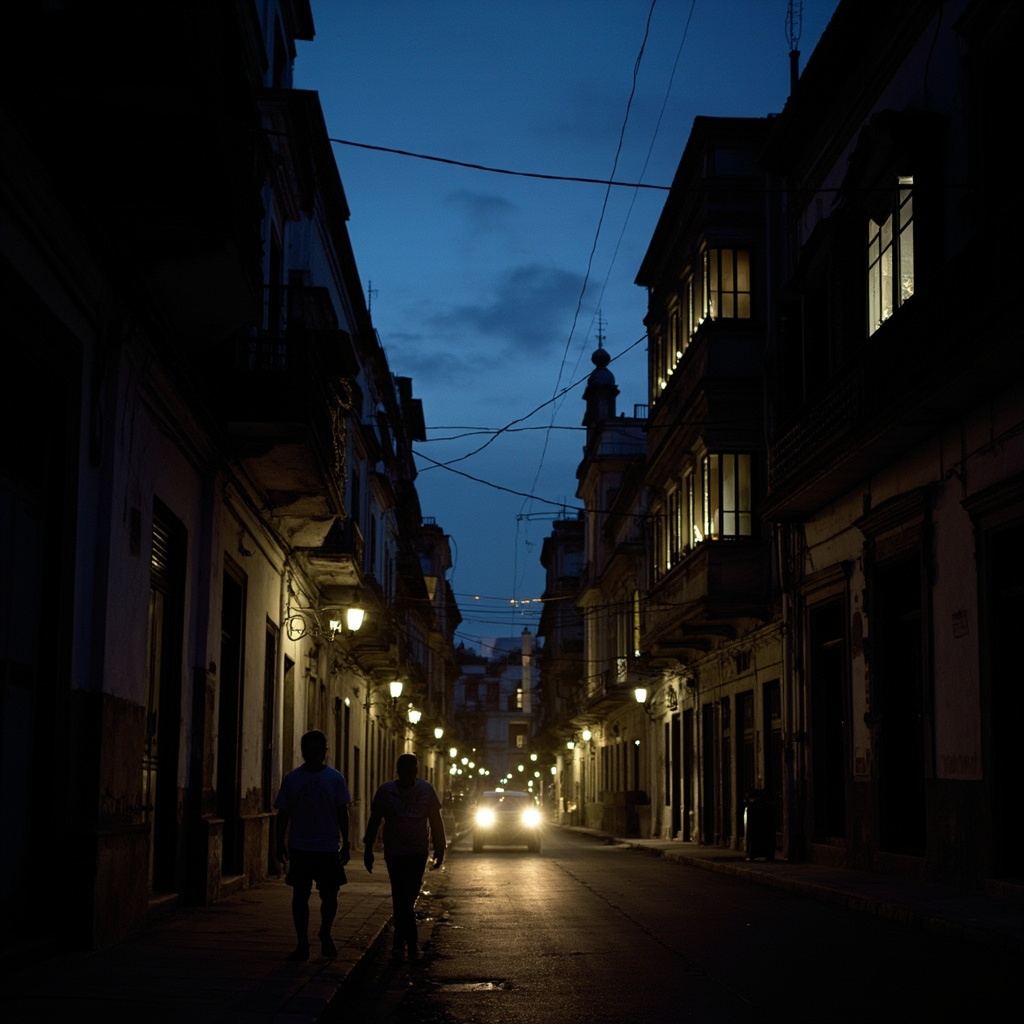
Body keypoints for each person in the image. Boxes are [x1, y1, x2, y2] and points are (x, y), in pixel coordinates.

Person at [274, 729, 351, 961]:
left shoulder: (335, 778)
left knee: (330, 896)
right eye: (311, 749)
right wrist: (279, 842)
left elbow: (342, 812)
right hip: (301, 847)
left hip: (328, 847)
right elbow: (283, 813)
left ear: (325, 751)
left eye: (320, 749)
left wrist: (345, 843)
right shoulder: (292, 779)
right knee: (300, 896)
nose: (316, 754)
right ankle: (302, 943)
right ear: (303, 751)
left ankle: (325, 933)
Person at [363, 752, 446, 963]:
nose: (409, 773)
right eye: (406, 770)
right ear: (398, 771)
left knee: (406, 898)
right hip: (395, 853)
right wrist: (368, 848)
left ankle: (402, 942)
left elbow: (435, 820)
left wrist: (440, 847)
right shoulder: (386, 791)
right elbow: (374, 819)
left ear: (416, 771)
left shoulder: (426, 789)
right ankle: (408, 943)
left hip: (417, 853)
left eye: (412, 770)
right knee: (401, 897)